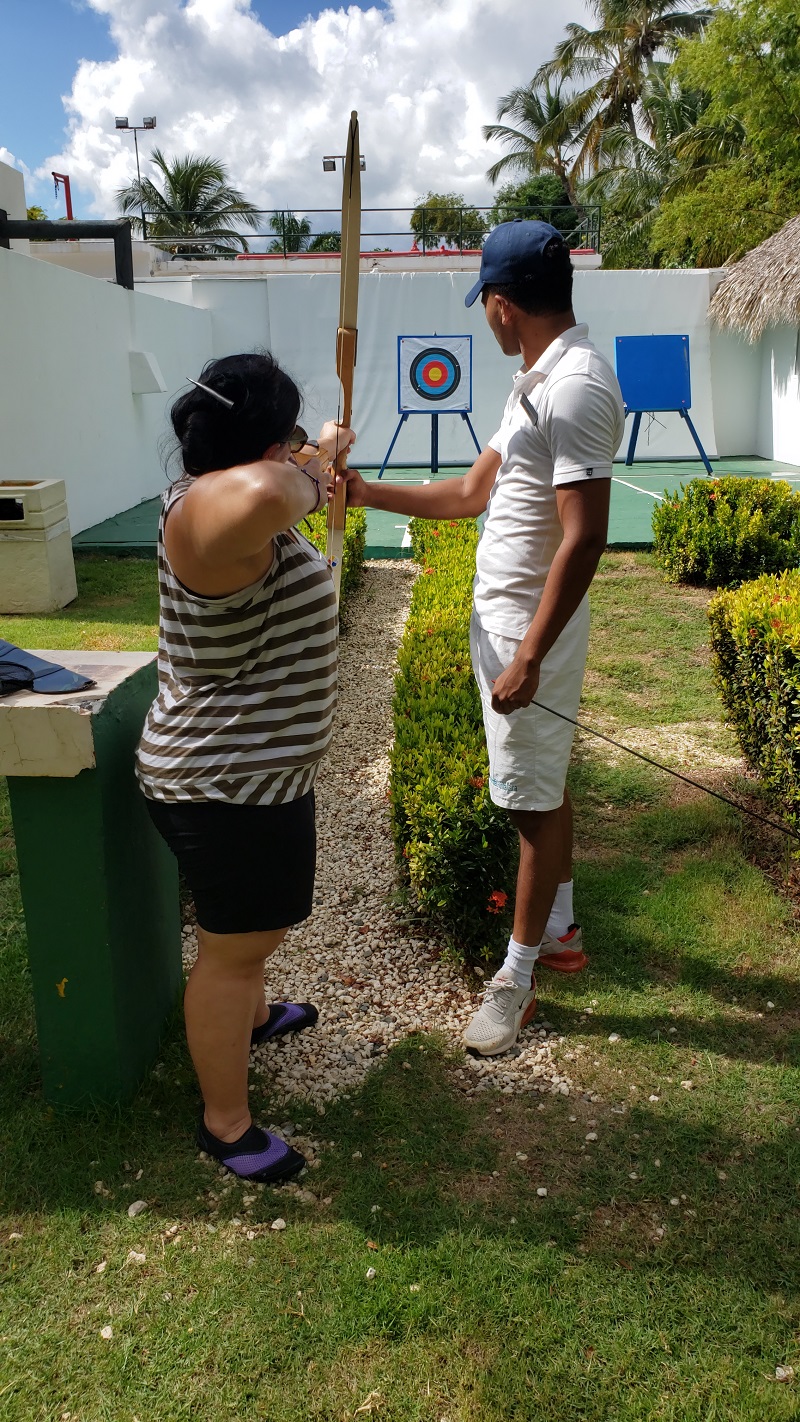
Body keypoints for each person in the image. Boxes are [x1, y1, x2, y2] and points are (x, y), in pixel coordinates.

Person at [339, 220, 625, 1056]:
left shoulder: (574, 387)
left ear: (503, 304)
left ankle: (517, 978)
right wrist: (363, 494)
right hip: (506, 623)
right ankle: (562, 932)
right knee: (541, 784)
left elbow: (587, 537)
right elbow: (470, 492)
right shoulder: (534, 379)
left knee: (530, 806)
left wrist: (531, 654)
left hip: (526, 635)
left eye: (486, 305)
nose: (486, 319)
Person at [136, 352, 354, 1180]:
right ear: (260, 443)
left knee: (249, 938)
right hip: (221, 782)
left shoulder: (223, 507)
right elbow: (268, 494)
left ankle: (252, 1017)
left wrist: (304, 457)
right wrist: (315, 461)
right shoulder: (206, 512)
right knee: (235, 945)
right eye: (287, 435)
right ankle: (225, 1124)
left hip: (251, 777)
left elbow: (268, 494)